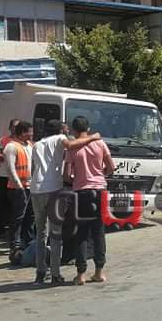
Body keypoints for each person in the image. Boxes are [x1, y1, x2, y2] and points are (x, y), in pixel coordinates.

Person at [30, 119, 101, 285]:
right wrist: (93, 137)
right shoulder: (59, 139)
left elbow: (33, 168)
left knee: (40, 233)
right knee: (55, 233)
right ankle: (55, 274)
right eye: (66, 130)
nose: (68, 133)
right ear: (60, 131)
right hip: (53, 189)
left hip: (36, 190)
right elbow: (71, 145)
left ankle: (40, 272)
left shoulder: (36, 144)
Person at [66, 116, 113, 286]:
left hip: (81, 192)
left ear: (74, 130)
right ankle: (99, 272)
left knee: (81, 233)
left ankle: (80, 275)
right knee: (98, 231)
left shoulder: (72, 148)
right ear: (88, 128)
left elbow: (67, 175)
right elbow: (111, 167)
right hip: (100, 190)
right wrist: (100, 175)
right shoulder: (100, 143)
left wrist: (77, 180)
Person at [4, 121, 35, 264]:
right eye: (30, 131)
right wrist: (19, 186)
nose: (32, 134)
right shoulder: (11, 147)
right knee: (18, 217)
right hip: (18, 189)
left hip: (30, 187)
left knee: (30, 217)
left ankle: (28, 242)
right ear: (23, 132)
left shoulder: (30, 145)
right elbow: (10, 169)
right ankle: (15, 245)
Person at [0, 119, 21, 239]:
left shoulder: (24, 141)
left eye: (18, 126)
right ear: (10, 128)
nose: (16, 128)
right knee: (0, 203)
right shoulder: (3, 140)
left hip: (17, 177)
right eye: (14, 126)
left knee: (15, 205)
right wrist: (10, 156)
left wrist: (6, 155)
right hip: (3, 176)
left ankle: (14, 232)